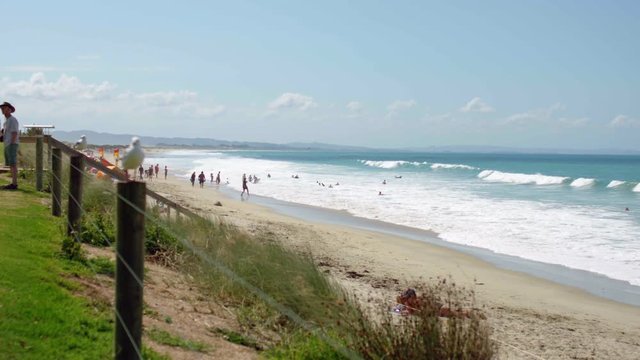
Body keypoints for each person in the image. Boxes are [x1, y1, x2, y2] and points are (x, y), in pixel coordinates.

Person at [1, 102, 19, 190]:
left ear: (9, 109)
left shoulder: (12, 120)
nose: (2, 110)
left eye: (4, 108)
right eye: (2, 108)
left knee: (13, 164)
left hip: (11, 144)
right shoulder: (6, 121)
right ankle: (13, 183)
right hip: (8, 144)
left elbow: (15, 133)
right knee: (11, 164)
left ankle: (14, 184)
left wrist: (11, 143)